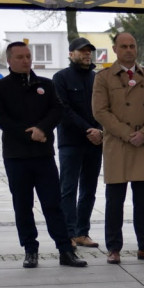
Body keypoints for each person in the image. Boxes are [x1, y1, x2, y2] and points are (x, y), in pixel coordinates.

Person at [0, 42, 87, 269]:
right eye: (20, 57)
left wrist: (42, 129)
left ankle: (65, 249)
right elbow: (0, 119)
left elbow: (57, 110)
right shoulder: (0, 88)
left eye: (28, 56)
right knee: (22, 204)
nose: (25, 60)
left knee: (53, 203)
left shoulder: (46, 84)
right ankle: (30, 249)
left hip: (43, 154)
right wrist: (29, 134)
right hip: (16, 156)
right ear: (9, 60)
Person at [92, 32, 144, 264]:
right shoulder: (103, 77)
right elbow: (100, 111)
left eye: (132, 46)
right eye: (123, 46)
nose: (128, 50)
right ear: (115, 49)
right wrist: (126, 133)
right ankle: (114, 247)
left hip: (143, 144)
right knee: (115, 200)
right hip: (117, 144)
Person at [52, 37, 103, 249]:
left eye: (89, 51)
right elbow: (63, 109)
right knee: (68, 189)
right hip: (71, 142)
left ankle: (83, 232)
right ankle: (69, 233)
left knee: (89, 190)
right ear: (71, 54)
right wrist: (87, 130)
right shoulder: (61, 77)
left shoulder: (97, 78)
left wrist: (100, 131)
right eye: (81, 51)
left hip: (95, 142)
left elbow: (104, 108)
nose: (86, 54)